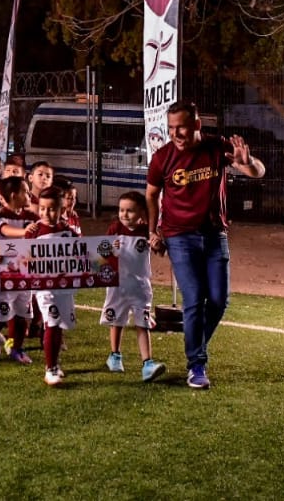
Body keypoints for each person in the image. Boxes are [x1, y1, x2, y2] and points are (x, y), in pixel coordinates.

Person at [146, 101, 264, 389]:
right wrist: (153, 232)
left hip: (215, 235)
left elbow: (258, 172)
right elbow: (151, 195)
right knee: (195, 297)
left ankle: (193, 340)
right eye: (171, 128)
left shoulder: (217, 147)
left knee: (220, 301)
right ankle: (196, 365)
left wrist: (246, 161)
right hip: (178, 236)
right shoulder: (162, 158)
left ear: (197, 125)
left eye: (181, 127)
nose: (176, 134)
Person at [101, 191, 166, 381]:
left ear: (141, 213)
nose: (124, 215)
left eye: (130, 211)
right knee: (117, 321)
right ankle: (114, 355)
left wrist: (157, 244)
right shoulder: (114, 229)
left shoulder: (147, 231)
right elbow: (101, 253)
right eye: (121, 210)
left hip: (140, 287)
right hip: (117, 287)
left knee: (142, 324)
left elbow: (160, 252)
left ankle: (147, 363)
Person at [24, 186, 80, 386]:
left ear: (61, 207)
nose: (46, 213)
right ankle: (50, 369)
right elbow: (24, 259)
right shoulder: (35, 231)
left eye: (52, 209)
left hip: (63, 287)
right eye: (42, 209)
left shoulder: (68, 231)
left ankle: (55, 362)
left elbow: (82, 255)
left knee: (59, 325)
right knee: (52, 322)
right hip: (44, 287)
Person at [0, 175, 36, 365]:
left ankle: (17, 349)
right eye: (25, 191)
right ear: (14, 195)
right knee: (3, 310)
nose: (29, 194)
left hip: (24, 268)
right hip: (2, 269)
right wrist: (25, 232)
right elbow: (5, 230)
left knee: (23, 311)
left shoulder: (31, 216)